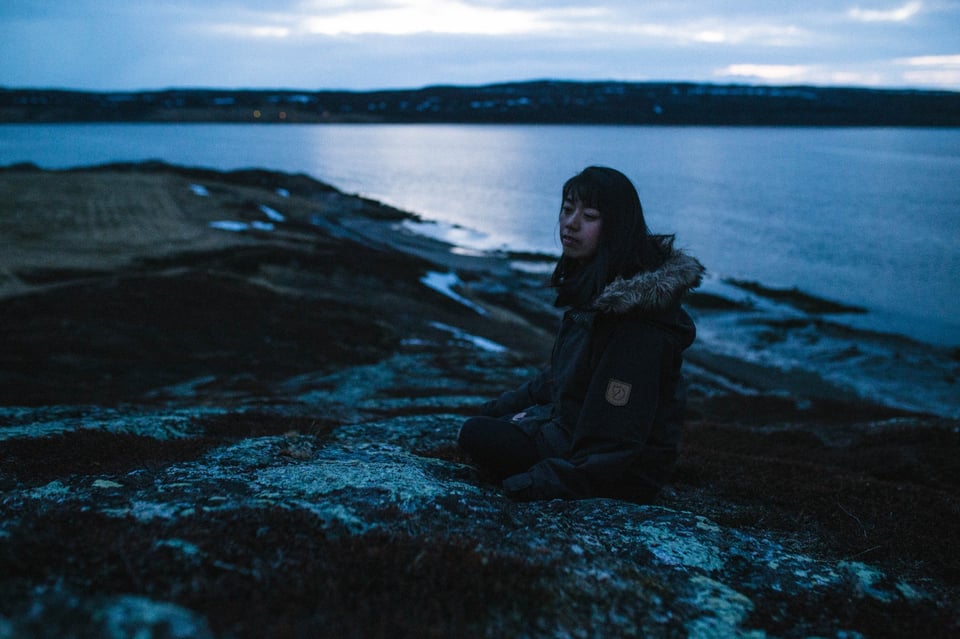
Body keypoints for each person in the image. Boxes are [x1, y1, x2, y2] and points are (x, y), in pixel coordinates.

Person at [458, 166, 705, 502]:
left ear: (617, 227)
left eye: (589, 215)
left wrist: (538, 483)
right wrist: (494, 408)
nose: (570, 223)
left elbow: (617, 435)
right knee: (480, 426)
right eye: (567, 209)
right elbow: (557, 380)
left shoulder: (637, 328)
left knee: (478, 436)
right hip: (572, 435)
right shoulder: (600, 292)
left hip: (616, 474)